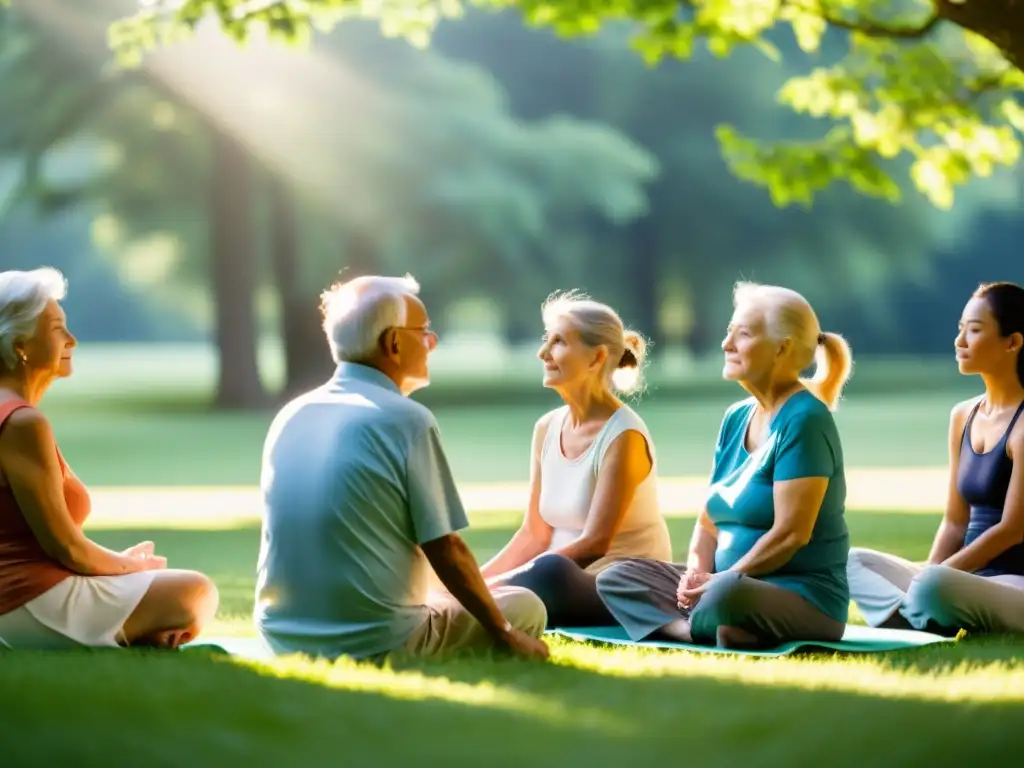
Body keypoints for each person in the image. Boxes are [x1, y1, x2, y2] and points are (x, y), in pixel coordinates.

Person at [253, 273, 549, 662]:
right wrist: (504, 632)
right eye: (424, 331)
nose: (433, 342)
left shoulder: (291, 414)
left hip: (281, 635)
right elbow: (446, 549)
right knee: (527, 605)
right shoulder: (405, 419)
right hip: (375, 642)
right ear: (393, 342)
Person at [596, 281, 854, 649]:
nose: (726, 344)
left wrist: (722, 580)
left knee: (728, 595)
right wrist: (697, 575)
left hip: (802, 595)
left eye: (743, 334)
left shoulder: (805, 420)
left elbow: (791, 534)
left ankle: (709, 621)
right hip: (724, 584)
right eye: (728, 332)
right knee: (618, 577)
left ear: (781, 347)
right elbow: (708, 520)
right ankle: (701, 629)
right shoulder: (736, 418)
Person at [0, 267, 218, 650]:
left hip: (25, 595)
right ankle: (134, 633)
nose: (72, 340)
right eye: (56, 329)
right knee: (196, 591)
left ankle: (134, 630)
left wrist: (117, 562)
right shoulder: (22, 424)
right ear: (20, 344)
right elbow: (64, 549)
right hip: (25, 602)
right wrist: (130, 568)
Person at [480, 291, 671, 627]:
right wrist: (475, 582)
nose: (543, 353)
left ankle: (483, 603)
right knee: (532, 572)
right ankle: (476, 600)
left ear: (596, 358)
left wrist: (497, 586)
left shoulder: (624, 435)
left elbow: (595, 545)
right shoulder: (546, 428)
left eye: (558, 342)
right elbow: (533, 535)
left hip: (618, 586)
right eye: (546, 340)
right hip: (553, 578)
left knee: (550, 570)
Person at [847, 282, 1024, 636]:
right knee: (850, 561)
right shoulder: (963, 415)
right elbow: (955, 521)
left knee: (934, 586)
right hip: (959, 579)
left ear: (1012, 342)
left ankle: (919, 611)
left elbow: (1012, 529)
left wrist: (939, 576)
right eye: (960, 329)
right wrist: (929, 570)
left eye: (973, 331)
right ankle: (921, 614)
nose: (959, 342)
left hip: (1014, 582)